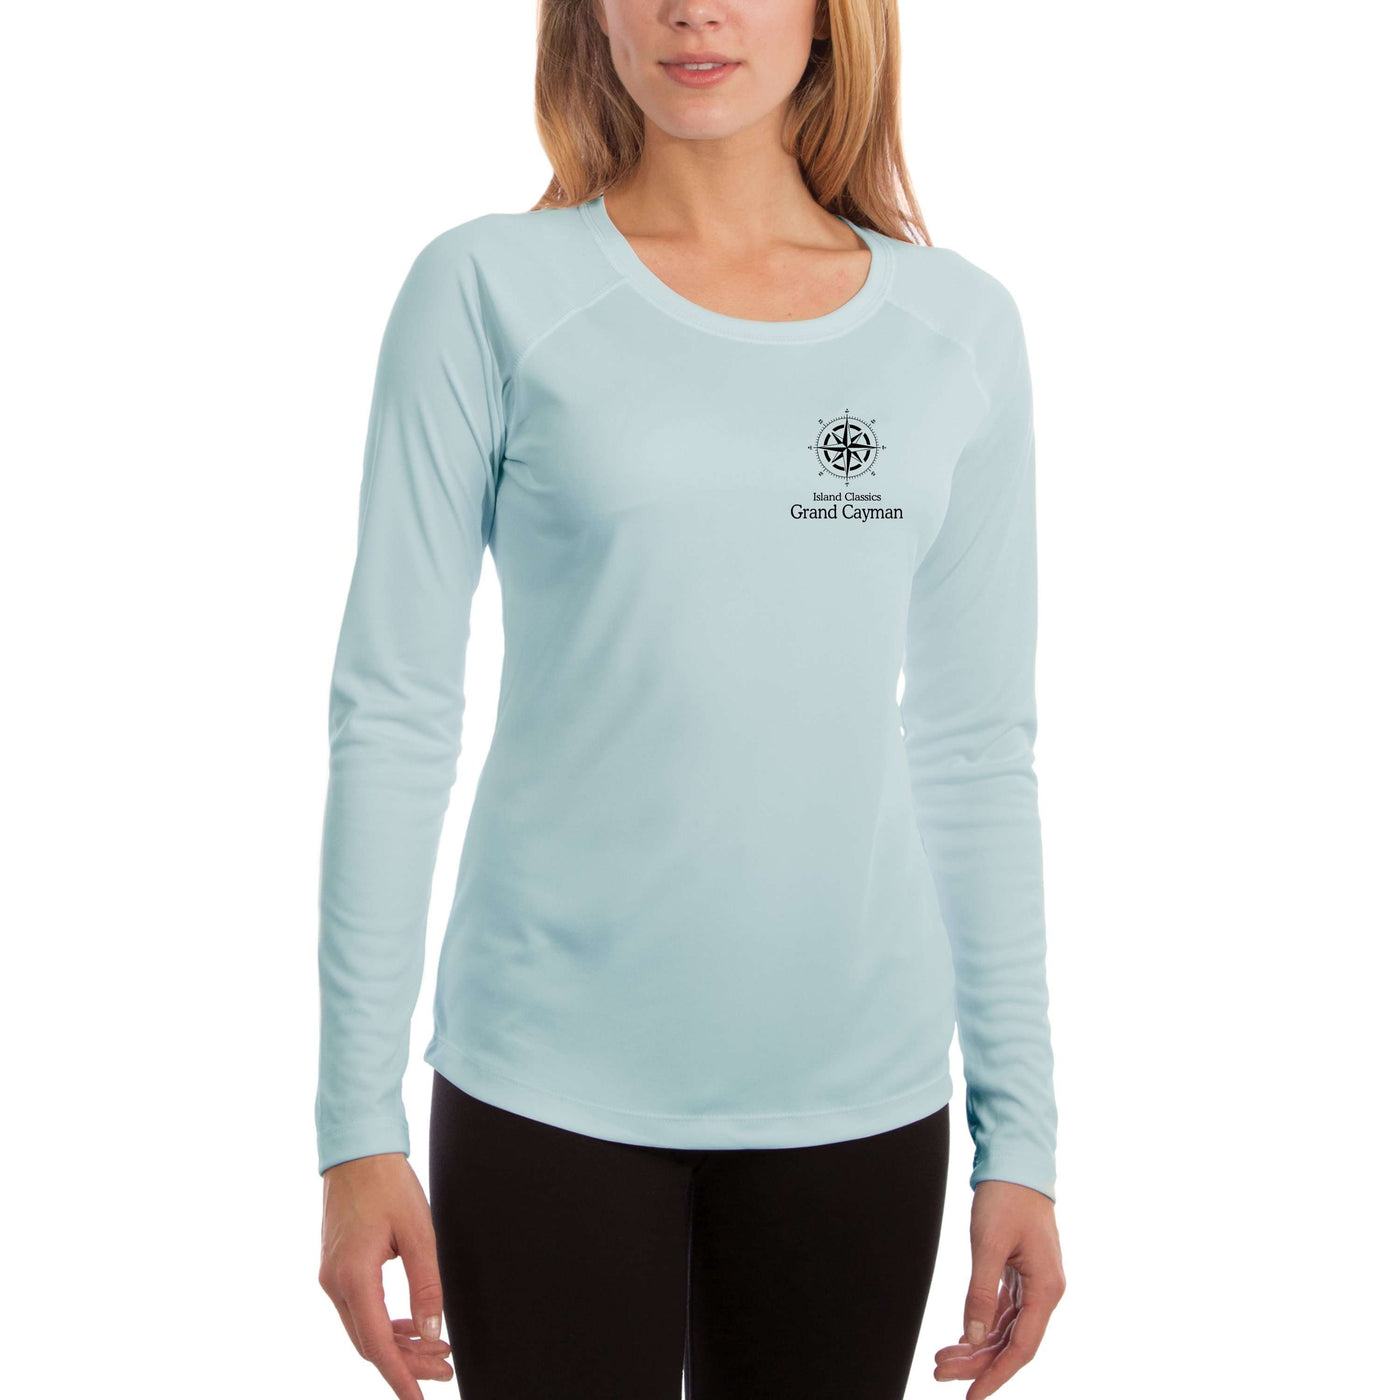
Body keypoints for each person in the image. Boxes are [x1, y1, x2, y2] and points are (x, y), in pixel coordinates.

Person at [315, 2, 1066, 1397]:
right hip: (543, 1086)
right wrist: (356, 1128)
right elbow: (395, 710)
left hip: (859, 1101)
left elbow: (975, 750)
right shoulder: (486, 290)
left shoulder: (956, 330)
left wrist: (1020, 1140)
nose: (694, 9)